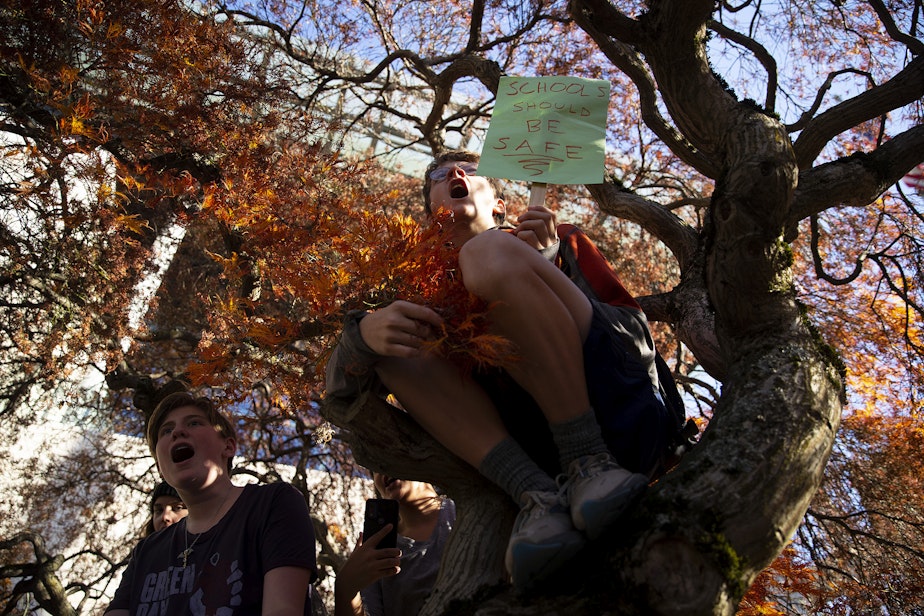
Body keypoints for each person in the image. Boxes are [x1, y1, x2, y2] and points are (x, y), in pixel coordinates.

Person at [325, 150, 675, 591]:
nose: (455, 174)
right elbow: (338, 400)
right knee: (392, 340)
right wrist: (362, 336)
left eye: (471, 172)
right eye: (438, 176)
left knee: (485, 253)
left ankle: (588, 458)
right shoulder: (415, 297)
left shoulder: (563, 240)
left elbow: (635, 338)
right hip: (532, 463)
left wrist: (548, 264)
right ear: (430, 214)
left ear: (500, 204)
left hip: (620, 419)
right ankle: (536, 497)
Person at [105, 391, 320, 615]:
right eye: (166, 431)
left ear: (228, 446)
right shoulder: (146, 552)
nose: (177, 431)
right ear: (160, 466)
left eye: (194, 423)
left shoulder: (272, 504)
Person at [334, 473, 454, 616]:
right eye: (375, 467)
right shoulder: (378, 552)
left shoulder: (466, 512)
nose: (382, 469)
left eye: (388, 456)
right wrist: (346, 591)